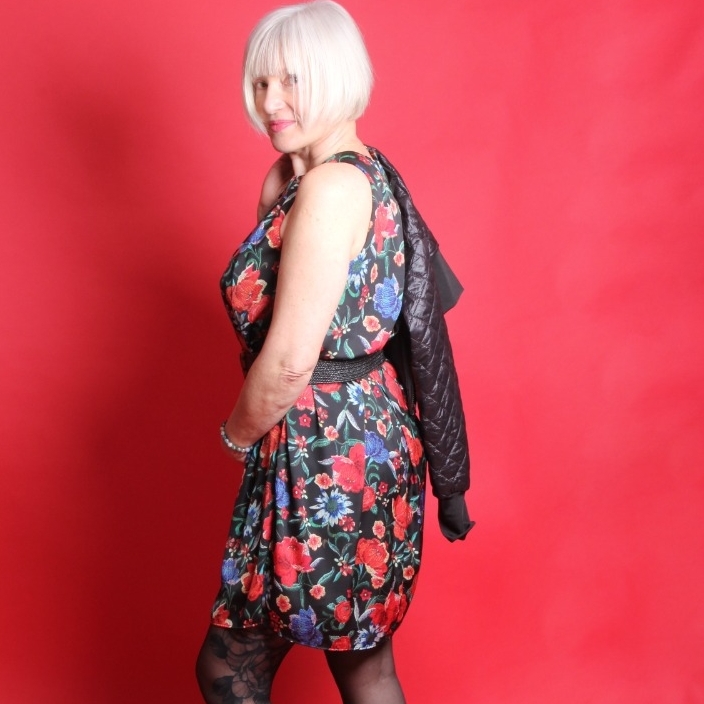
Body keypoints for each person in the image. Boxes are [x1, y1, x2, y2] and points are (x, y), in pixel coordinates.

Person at [196, 3, 472, 703]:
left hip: (326, 453)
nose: (271, 101)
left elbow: (290, 359)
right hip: (352, 442)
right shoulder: (325, 175)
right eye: (262, 81)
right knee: (364, 662)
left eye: (293, 79)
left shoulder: (328, 189)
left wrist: (234, 437)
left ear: (336, 76)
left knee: (230, 668)